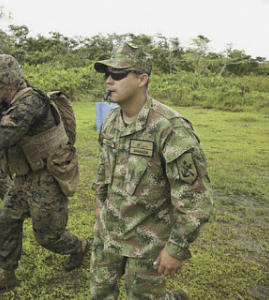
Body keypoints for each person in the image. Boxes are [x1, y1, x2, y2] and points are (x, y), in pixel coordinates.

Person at [0, 54, 90, 293]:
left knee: (48, 237)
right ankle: (7, 274)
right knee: (8, 219)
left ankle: (80, 246)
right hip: (23, 175)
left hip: (47, 177)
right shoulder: (7, 102)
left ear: (8, 81)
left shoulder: (29, 103)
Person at [90, 43, 213, 300]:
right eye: (107, 74)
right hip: (108, 232)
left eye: (119, 74)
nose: (109, 80)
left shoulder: (170, 128)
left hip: (147, 242)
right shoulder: (112, 121)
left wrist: (176, 248)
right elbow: (104, 169)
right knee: (99, 295)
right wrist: (101, 203)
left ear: (141, 79)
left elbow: (195, 198)